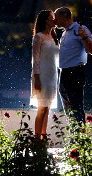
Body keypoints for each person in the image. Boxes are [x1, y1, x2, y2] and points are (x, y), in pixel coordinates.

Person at [54, 7, 92, 124]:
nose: (55, 20)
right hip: (64, 72)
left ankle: (79, 135)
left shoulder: (81, 30)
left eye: (56, 17)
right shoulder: (65, 33)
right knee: (68, 106)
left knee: (76, 105)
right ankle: (73, 132)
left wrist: (84, 37)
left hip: (75, 72)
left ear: (64, 17)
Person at [30, 10, 60, 138]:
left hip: (53, 75)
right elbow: (35, 59)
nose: (54, 19)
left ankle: (44, 135)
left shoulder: (54, 37)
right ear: (45, 20)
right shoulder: (39, 37)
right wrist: (36, 78)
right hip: (42, 75)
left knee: (47, 108)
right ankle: (37, 138)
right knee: (41, 107)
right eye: (51, 17)